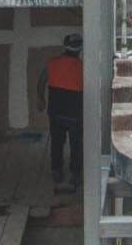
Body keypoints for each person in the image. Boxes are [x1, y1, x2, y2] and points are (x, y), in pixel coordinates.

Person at [37, 33, 84, 191]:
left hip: (56, 112)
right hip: (75, 114)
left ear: (65, 46)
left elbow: (42, 81)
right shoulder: (82, 67)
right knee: (76, 144)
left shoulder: (52, 63)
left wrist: (40, 99)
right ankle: (75, 174)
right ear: (80, 49)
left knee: (57, 142)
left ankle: (56, 171)